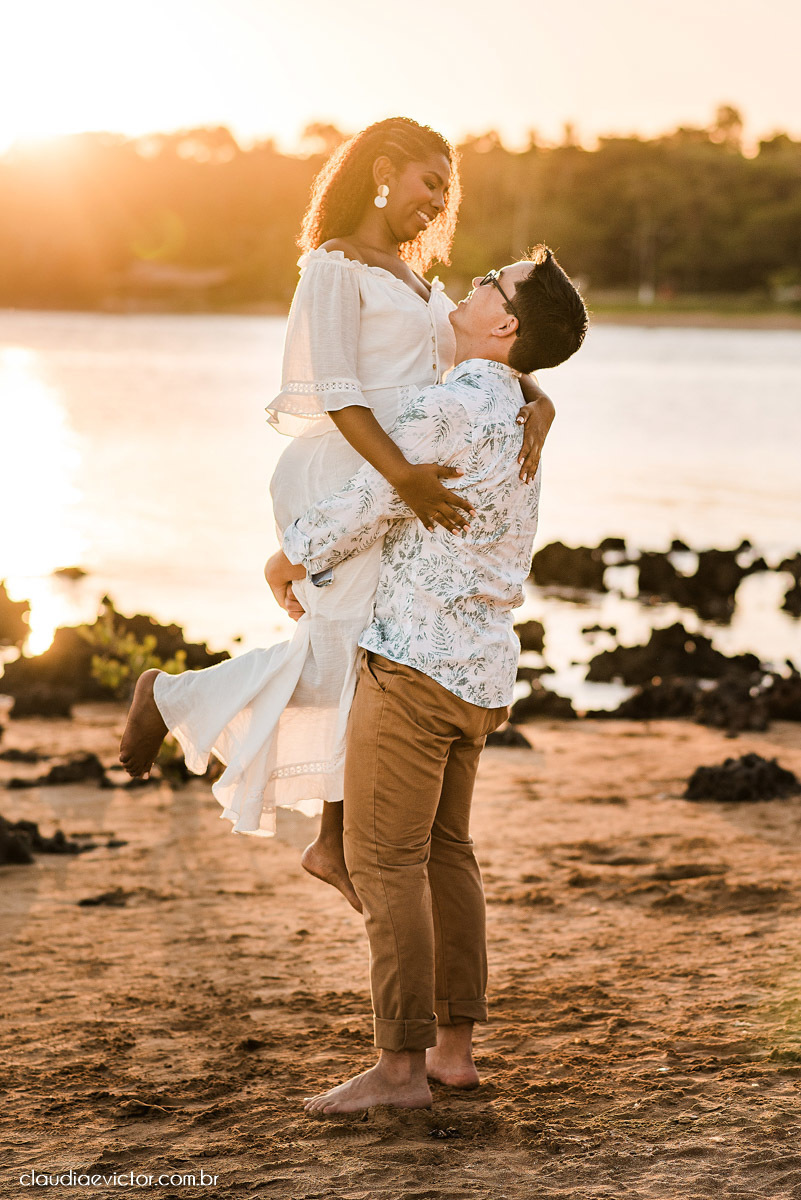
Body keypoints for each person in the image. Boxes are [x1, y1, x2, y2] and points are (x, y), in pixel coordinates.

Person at [119, 118, 555, 914]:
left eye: (446, 194)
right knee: (348, 653)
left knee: (358, 654)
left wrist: (539, 395)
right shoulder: (333, 267)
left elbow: (479, 355)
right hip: (347, 469)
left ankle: (327, 835)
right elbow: (339, 393)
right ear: (384, 172)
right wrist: (406, 482)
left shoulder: (417, 281)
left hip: (397, 473)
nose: (437, 205)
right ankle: (172, 701)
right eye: (430, 185)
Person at [270, 247, 588, 1114]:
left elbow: (377, 493)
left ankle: (400, 1069)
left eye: (492, 281)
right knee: (447, 854)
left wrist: (286, 555)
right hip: (481, 671)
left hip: (412, 665)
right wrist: (538, 390)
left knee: (384, 862)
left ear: (505, 324)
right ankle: (453, 1053)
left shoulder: (455, 408)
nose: (475, 284)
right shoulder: (515, 407)